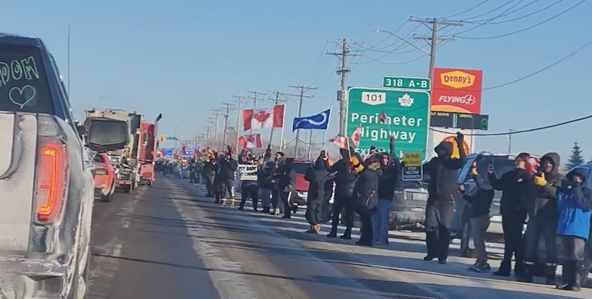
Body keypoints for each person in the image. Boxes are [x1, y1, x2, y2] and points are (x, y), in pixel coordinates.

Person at [422, 132, 466, 264]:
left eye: (443, 150)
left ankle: (442, 256)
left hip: (447, 201)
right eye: (439, 149)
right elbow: (420, 169)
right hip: (433, 199)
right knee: (430, 226)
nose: (441, 152)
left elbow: (463, 160)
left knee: (444, 229)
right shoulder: (434, 162)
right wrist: (407, 164)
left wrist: (459, 144)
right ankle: (431, 252)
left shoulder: (452, 163)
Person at [519, 152, 563, 284]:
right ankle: (527, 273)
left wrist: (545, 185)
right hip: (534, 216)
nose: (547, 165)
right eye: (546, 162)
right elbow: (527, 194)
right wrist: (528, 206)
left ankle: (550, 275)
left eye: (550, 163)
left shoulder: (559, 179)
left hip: (550, 218)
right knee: (530, 245)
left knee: (551, 247)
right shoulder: (535, 177)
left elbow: (558, 195)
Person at [547, 168, 592, 291]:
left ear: (583, 180)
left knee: (577, 256)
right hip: (564, 228)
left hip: (578, 229)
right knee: (566, 257)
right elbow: (560, 206)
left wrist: (576, 190)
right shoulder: (566, 192)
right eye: (574, 177)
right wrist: (563, 190)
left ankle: (576, 283)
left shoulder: (587, 192)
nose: (576, 180)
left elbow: (584, 205)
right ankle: (567, 281)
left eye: (579, 178)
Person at [487, 152, 532, 276]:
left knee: (516, 240)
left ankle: (518, 267)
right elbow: (498, 185)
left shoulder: (528, 178)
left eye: (520, 160)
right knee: (509, 239)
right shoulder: (509, 175)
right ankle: (507, 266)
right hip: (507, 211)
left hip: (519, 212)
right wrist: (491, 175)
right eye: (517, 160)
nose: (517, 162)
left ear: (525, 163)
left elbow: (528, 195)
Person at [459, 161, 495, 273]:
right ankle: (480, 261)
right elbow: (474, 201)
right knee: (476, 241)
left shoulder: (489, 190)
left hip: (482, 217)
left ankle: (483, 262)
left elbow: (482, 184)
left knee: (479, 241)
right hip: (475, 216)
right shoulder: (481, 190)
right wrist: (463, 193)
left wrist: (475, 175)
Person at [372, 137, 401, 245]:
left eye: (386, 158)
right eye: (383, 158)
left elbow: (397, 161)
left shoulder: (392, 171)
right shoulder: (378, 170)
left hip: (386, 198)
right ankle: (375, 238)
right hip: (376, 198)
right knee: (375, 220)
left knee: (384, 220)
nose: (384, 160)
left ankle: (382, 239)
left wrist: (392, 145)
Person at [327, 148, 357, 240]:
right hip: (339, 191)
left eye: (344, 153)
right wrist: (326, 160)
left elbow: (352, 177)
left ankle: (348, 232)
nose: (343, 155)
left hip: (349, 192)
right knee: (336, 213)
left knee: (348, 214)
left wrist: (340, 177)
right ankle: (333, 231)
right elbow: (331, 169)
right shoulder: (340, 163)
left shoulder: (353, 164)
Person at [353, 154, 382, 246]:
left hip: (369, 200)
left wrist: (356, 162)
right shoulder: (371, 172)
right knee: (364, 221)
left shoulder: (372, 173)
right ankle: (364, 238)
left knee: (367, 221)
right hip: (365, 198)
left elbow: (363, 173)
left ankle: (367, 239)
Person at [305, 151, 330, 234]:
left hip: (313, 193)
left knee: (311, 210)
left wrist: (311, 167)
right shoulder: (326, 174)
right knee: (318, 210)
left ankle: (314, 225)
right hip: (322, 194)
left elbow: (306, 177)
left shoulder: (314, 172)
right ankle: (317, 225)